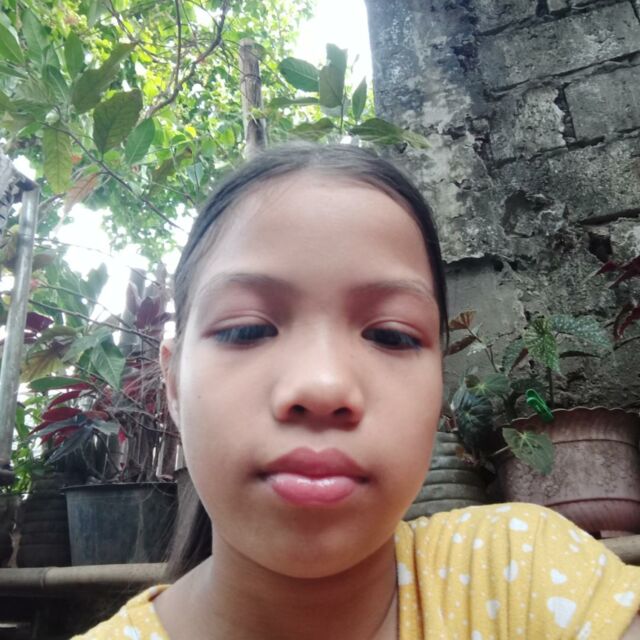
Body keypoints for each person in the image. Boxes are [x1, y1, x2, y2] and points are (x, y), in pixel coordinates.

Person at [73, 143, 640, 639]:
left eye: (391, 335)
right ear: (173, 383)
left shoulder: (522, 573)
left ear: (438, 388)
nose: (323, 386)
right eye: (246, 330)